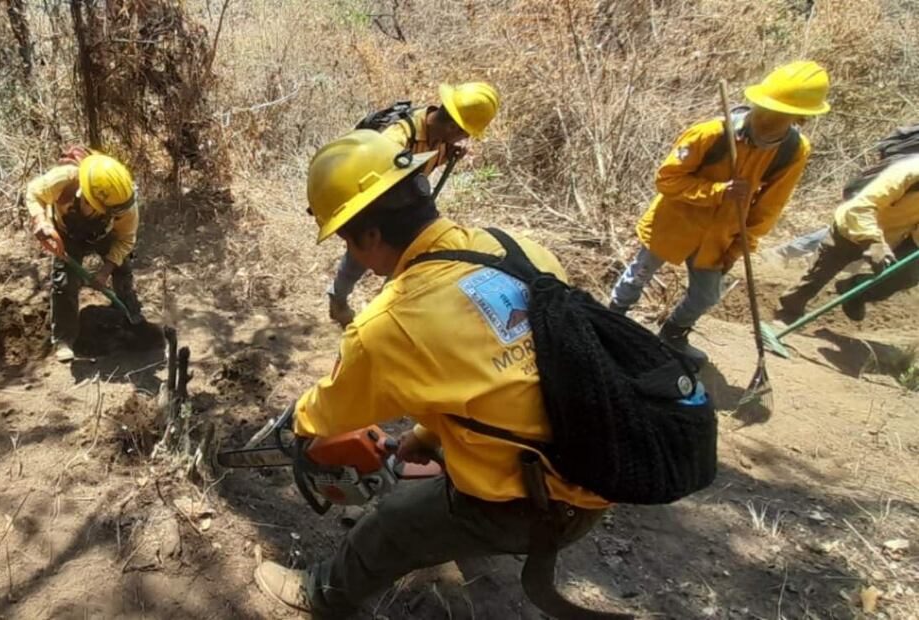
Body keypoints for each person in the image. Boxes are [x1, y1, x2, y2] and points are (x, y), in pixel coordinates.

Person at [254, 129, 610, 617]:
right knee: (425, 466)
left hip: (552, 499)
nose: (351, 254)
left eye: (347, 241)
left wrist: (298, 425)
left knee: (390, 524)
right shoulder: (515, 248)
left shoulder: (390, 323)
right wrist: (427, 433)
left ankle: (321, 594)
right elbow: (514, 374)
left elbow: (329, 414)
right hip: (598, 460)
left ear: (371, 236)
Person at [607, 61, 831, 365]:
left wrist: (741, 246)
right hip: (674, 223)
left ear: (800, 118)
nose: (767, 118)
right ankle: (610, 320)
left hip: (721, 234)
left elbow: (769, 207)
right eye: (765, 108)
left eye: (779, 113)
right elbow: (667, 180)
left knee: (706, 296)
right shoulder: (711, 134)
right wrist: (717, 191)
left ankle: (672, 335)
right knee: (639, 275)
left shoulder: (793, 151)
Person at [327, 81, 500, 327]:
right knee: (357, 262)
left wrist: (448, 154)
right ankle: (338, 299)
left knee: (402, 269)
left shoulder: (440, 139)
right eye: (464, 133)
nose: (464, 139)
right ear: (453, 126)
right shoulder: (396, 139)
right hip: (377, 212)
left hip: (407, 213)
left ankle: (380, 319)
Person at [25, 150, 143, 362]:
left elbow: (125, 240)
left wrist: (105, 272)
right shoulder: (65, 179)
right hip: (67, 235)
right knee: (64, 283)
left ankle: (129, 314)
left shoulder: (125, 204)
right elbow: (34, 192)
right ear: (88, 196)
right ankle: (64, 338)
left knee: (122, 268)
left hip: (104, 235)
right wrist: (40, 220)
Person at [776, 154, 919, 322]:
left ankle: (856, 292)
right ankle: (787, 314)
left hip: (894, 234)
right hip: (852, 227)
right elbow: (859, 208)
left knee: (908, 273)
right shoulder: (909, 173)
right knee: (817, 277)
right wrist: (873, 241)